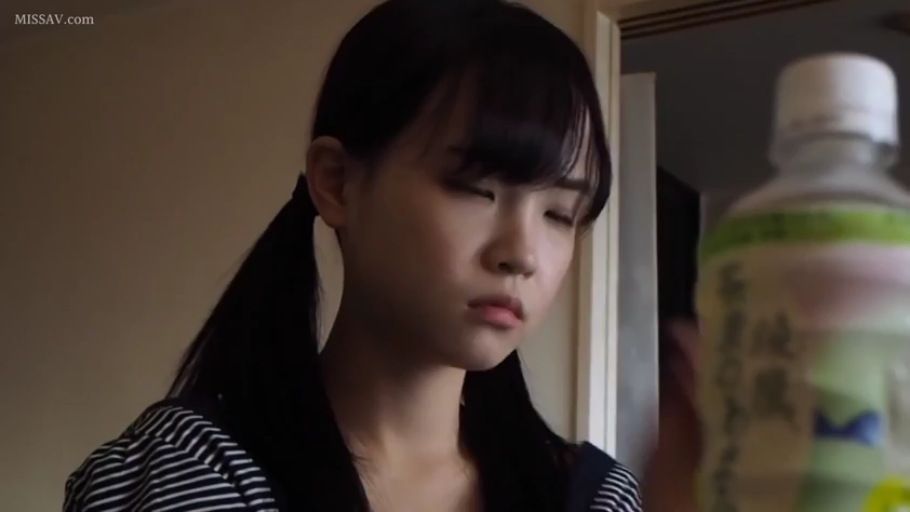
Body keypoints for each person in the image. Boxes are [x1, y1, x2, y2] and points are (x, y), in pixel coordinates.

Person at [63, 0, 699, 511]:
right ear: (338, 182)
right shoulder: (191, 470)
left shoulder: (592, 495)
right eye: (475, 188)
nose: (523, 254)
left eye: (560, 215)